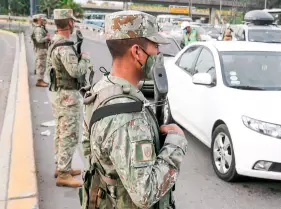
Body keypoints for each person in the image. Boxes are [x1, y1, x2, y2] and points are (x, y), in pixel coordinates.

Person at [80, 10, 188, 209]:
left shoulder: (102, 89)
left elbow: (88, 151)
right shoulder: (126, 117)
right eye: (155, 46)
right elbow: (145, 194)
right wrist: (175, 144)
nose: (158, 54)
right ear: (137, 52)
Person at [46, 8, 92, 187]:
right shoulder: (64, 47)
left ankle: (62, 166)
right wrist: (85, 60)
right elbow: (75, 71)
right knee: (69, 134)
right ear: (70, 23)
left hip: (60, 94)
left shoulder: (55, 42)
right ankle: (64, 173)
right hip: (68, 97)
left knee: (60, 132)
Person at [31, 14, 50, 87]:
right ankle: (40, 81)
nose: (44, 21)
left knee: (40, 64)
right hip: (41, 49)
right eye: (43, 19)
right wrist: (47, 38)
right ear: (39, 19)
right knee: (41, 64)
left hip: (41, 49)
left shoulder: (40, 28)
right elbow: (39, 40)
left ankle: (40, 80)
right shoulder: (38, 29)